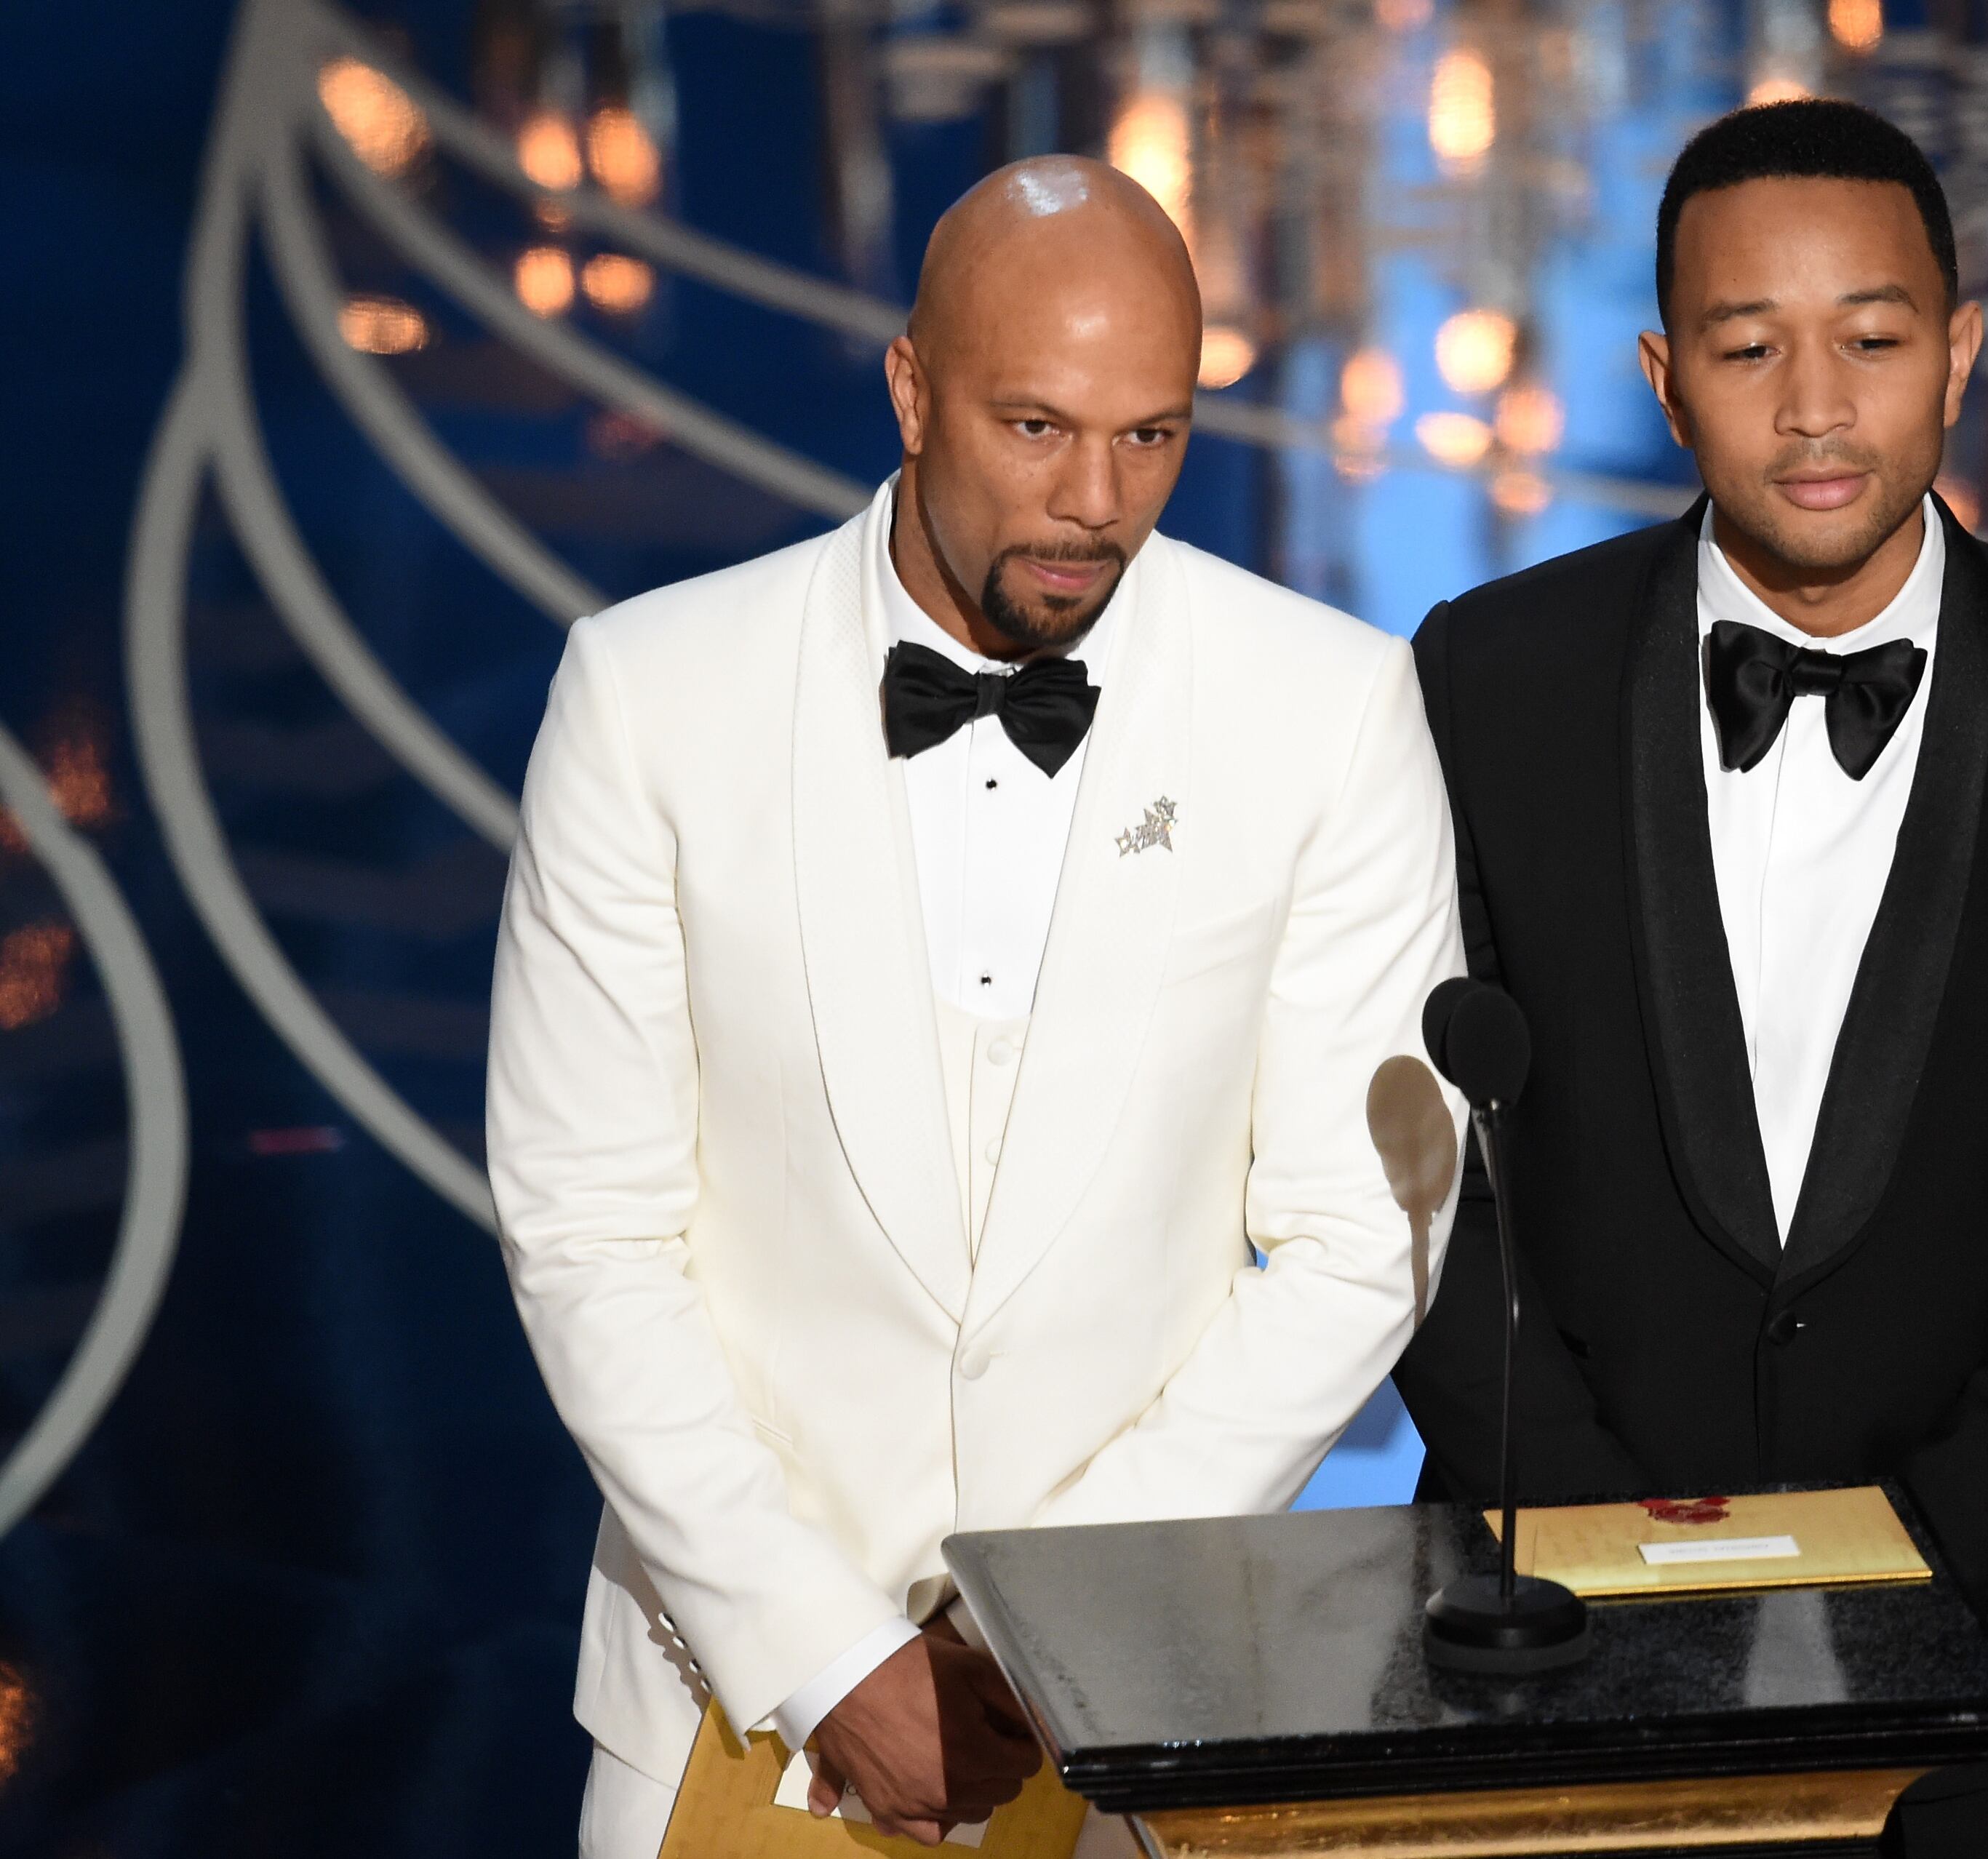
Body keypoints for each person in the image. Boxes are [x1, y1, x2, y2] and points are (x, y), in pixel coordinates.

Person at [487, 156, 1465, 1859]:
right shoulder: (649, 696)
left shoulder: (1331, 708)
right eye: (1036, 428)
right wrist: (824, 1652)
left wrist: (1048, 1627)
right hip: (727, 1718)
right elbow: (586, 1227)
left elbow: (1360, 1232)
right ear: (914, 390)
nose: (1096, 501)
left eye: (1151, 436)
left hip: (1126, 1732)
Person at [1393, 99, 1988, 1858]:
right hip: (1551, 1655)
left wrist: (1898, 1564)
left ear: (1955, 354)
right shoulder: (1487, 681)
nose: (1813, 405)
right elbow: (1417, 1168)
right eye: (1748, 346)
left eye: (1870, 340)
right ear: (1661, 372)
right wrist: (1595, 1538)